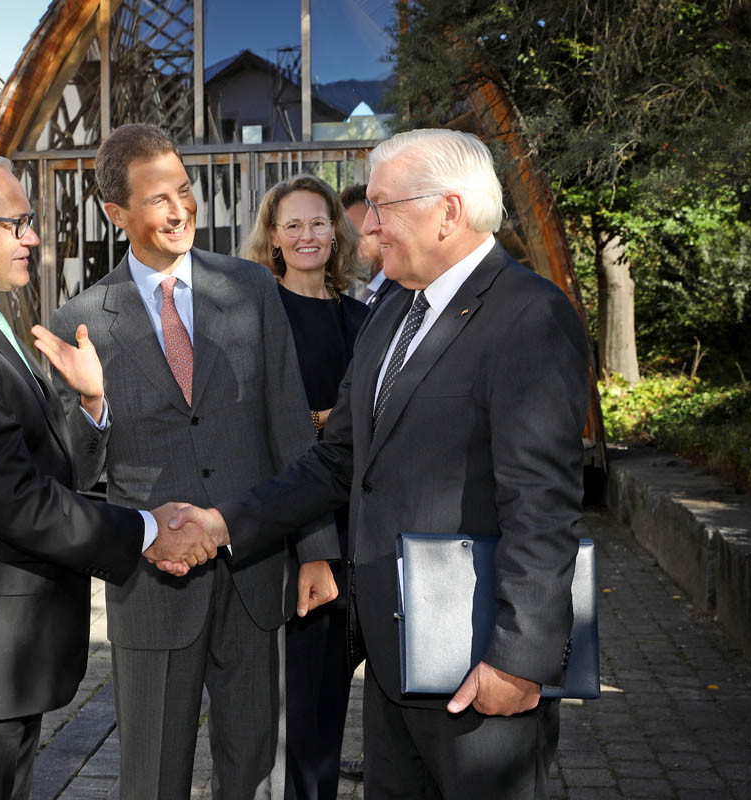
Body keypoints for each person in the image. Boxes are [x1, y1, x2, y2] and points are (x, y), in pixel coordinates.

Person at [171, 128, 590, 800]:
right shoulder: (394, 309)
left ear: (448, 211)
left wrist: (520, 660)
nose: (366, 228)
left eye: (385, 207)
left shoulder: (529, 317)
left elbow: (541, 507)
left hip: (477, 655)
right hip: (397, 656)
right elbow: (339, 460)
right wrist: (222, 524)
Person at [0, 152, 219, 800]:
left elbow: (43, 470)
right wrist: (145, 531)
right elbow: (17, 501)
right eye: (16, 222)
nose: (32, 237)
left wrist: (90, 405)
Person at [33, 123, 341, 799]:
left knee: (252, 765)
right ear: (116, 214)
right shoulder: (80, 319)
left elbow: (291, 426)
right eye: (157, 198)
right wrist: (91, 404)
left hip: (254, 568)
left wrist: (316, 551)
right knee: (151, 774)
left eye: (185, 188)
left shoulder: (252, 289)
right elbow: (73, 473)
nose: (180, 209)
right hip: (153, 584)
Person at [242, 175, 369, 800]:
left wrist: (325, 420)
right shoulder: (260, 318)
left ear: (336, 231)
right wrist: (317, 423)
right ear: (272, 237)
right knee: (306, 716)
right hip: (301, 532)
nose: (307, 235)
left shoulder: (365, 317)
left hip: (367, 527)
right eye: (291, 225)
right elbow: (263, 429)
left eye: (318, 222)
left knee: (342, 703)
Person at [340, 184, 395, 311]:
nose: (348, 247)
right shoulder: (372, 293)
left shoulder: (399, 295)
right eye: (344, 239)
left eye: (357, 236)